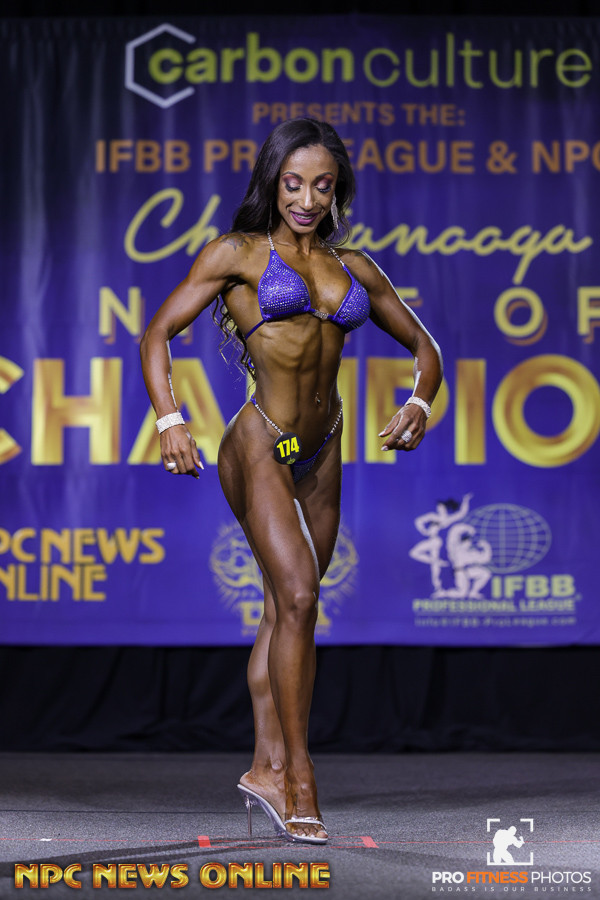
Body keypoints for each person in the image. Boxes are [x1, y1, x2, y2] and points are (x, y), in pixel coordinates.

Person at [140, 117, 443, 844]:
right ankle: (300, 775)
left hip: (323, 448)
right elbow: (156, 334)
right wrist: (170, 420)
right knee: (301, 595)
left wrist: (419, 402)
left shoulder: (354, 267)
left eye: (322, 186)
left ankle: (263, 767)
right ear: (273, 184)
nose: (307, 199)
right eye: (294, 184)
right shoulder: (237, 254)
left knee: (286, 610)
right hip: (260, 444)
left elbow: (424, 346)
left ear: (337, 192)